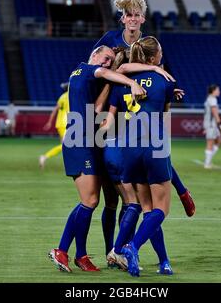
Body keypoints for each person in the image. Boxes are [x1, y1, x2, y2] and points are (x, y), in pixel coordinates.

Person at [48, 45, 146, 273]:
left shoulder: (89, 78)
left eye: (111, 60)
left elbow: (97, 107)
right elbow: (103, 76)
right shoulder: (84, 70)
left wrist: (113, 81)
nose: (107, 62)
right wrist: (130, 82)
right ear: (94, 54)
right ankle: (62, 250)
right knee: (90, 201)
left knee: (91, 201)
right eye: (105, 58)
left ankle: (80, 255)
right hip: (79, 140)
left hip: (86, 140)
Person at [101, 36, 175, 277]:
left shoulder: (123, 80)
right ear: (153, 57)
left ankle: (160, 260)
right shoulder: (164, 80)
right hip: (154, 145)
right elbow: (165, 118)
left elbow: (121, 70)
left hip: (129, 148)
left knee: (146, 208)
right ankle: (131, 247)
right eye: (160, 52)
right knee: (160, 210)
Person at [39, 82, 69, 169]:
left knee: (65, 147)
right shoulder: (71, 96)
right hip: (66, 123)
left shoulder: (62, 97)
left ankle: (67, 164)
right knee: (66, 145)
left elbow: (55, 110)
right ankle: (45, 156)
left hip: (60, 123)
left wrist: (49, 122)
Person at [203, 84, 221, 169]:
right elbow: (214, 112)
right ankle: (207, 164)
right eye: (218, 90)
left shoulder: (210, 99)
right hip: (211, 125)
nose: (219, 92)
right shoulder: (212, 99)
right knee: (210, 143)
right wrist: (220, 123)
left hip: (212, 124)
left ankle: (208, 160)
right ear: (213, 91)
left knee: (219, 140)